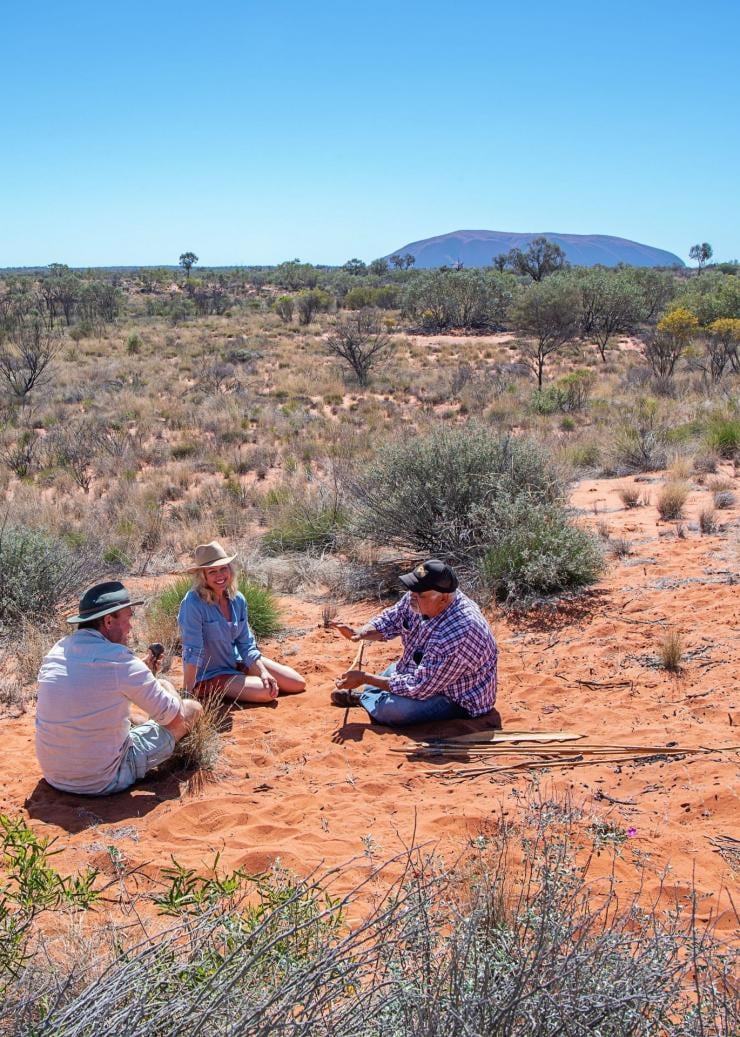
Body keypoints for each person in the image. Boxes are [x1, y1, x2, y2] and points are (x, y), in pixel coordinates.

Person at [36, 581, 202, 796]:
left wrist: (142, 674)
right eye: (128, 617)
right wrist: (164, 684)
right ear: (108, 620)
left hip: (54, 775)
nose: (131, 626)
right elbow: (175, 718)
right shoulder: (120, 661)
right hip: (103, 779)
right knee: (191, 709)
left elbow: (96, 691)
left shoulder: (57, 651)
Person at [331, 559, 497, 726]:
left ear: (444, 598)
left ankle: (364, 699)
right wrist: (360, 633)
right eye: (412, 590)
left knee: (391, 711)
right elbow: (393, 618)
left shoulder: (460, 631)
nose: (411, 596)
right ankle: (369, 697)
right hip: (425, 672)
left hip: (457, 698)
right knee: (377, 684)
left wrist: (366, 678)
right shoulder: (420, 596)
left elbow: (419, 687)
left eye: (420, 594)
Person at [177, 540, 305, 703]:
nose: (220, 575)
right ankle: (207, 687)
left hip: (237, 661)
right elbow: (193, 650)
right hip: (211, 672)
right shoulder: (193, 603)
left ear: (230, 570)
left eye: (223, 568)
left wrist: (262, 671)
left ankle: (243, 679)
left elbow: (246, 644)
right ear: (203, 576)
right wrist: (188, 692)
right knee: (267, 692)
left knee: (297, 683)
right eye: (212, 571)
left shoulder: (237, 599)